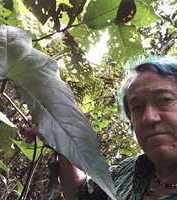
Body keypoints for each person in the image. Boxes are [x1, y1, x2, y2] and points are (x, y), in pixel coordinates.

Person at [59, 56, 177, 200]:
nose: (148, 117)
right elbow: (78, 192)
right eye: (137, 107)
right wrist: (60, 132)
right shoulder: (128, 171)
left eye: (165, 100)